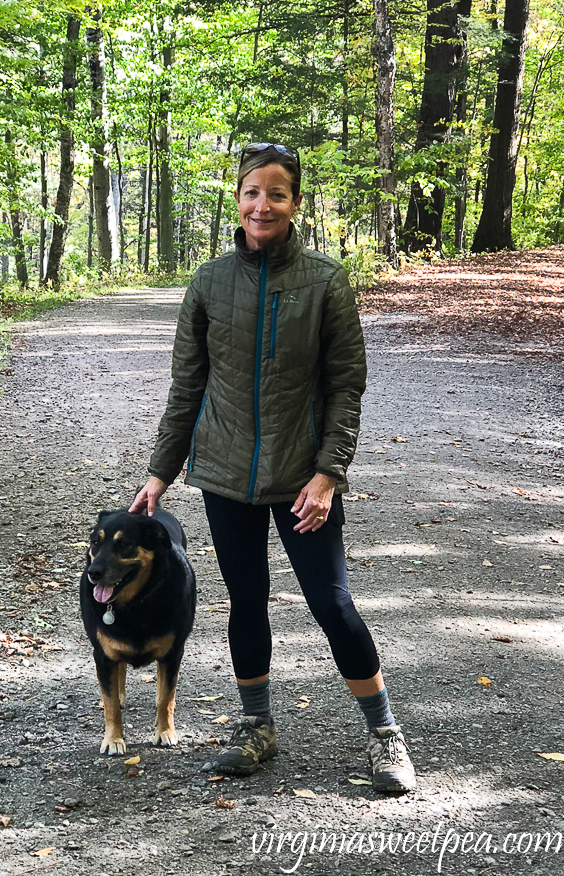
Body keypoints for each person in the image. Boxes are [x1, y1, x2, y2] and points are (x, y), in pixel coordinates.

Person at [130, 142, 416, 794]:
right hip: (226, 476)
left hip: (301, 481)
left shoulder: (325, 282)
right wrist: (159, 474)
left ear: (294, 203)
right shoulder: (208, 283)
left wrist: (328, 474)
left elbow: (347, 387)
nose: (263, 204)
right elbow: (187, 388)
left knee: (332, 603)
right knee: (246, 601)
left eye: (277, 193)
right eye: (252, 191)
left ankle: (385, 735)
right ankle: (256, 727)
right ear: (238, 199)